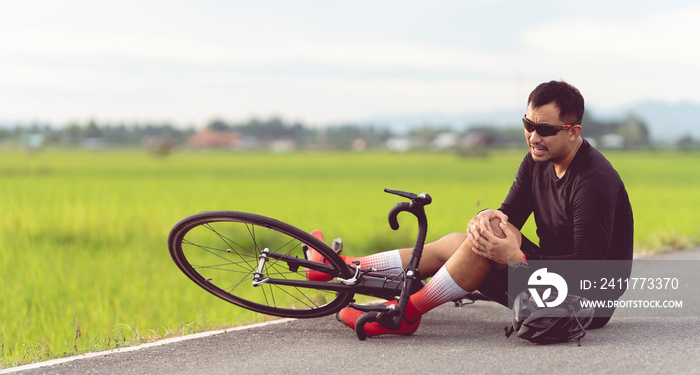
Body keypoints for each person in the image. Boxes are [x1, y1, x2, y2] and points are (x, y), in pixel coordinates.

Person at [307, 80, 634, 336]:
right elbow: (508, 215)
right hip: (542, 275)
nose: (533, 137)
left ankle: (404, 312)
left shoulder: (594, 182)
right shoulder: (538, 160)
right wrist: (485, 219)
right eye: (528, 124)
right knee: (473, 237)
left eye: (545, 130)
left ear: (574, 132)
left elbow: (589, 273)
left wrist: (514, 260)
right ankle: (344, 266)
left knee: (485, 247)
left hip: (583, 302)